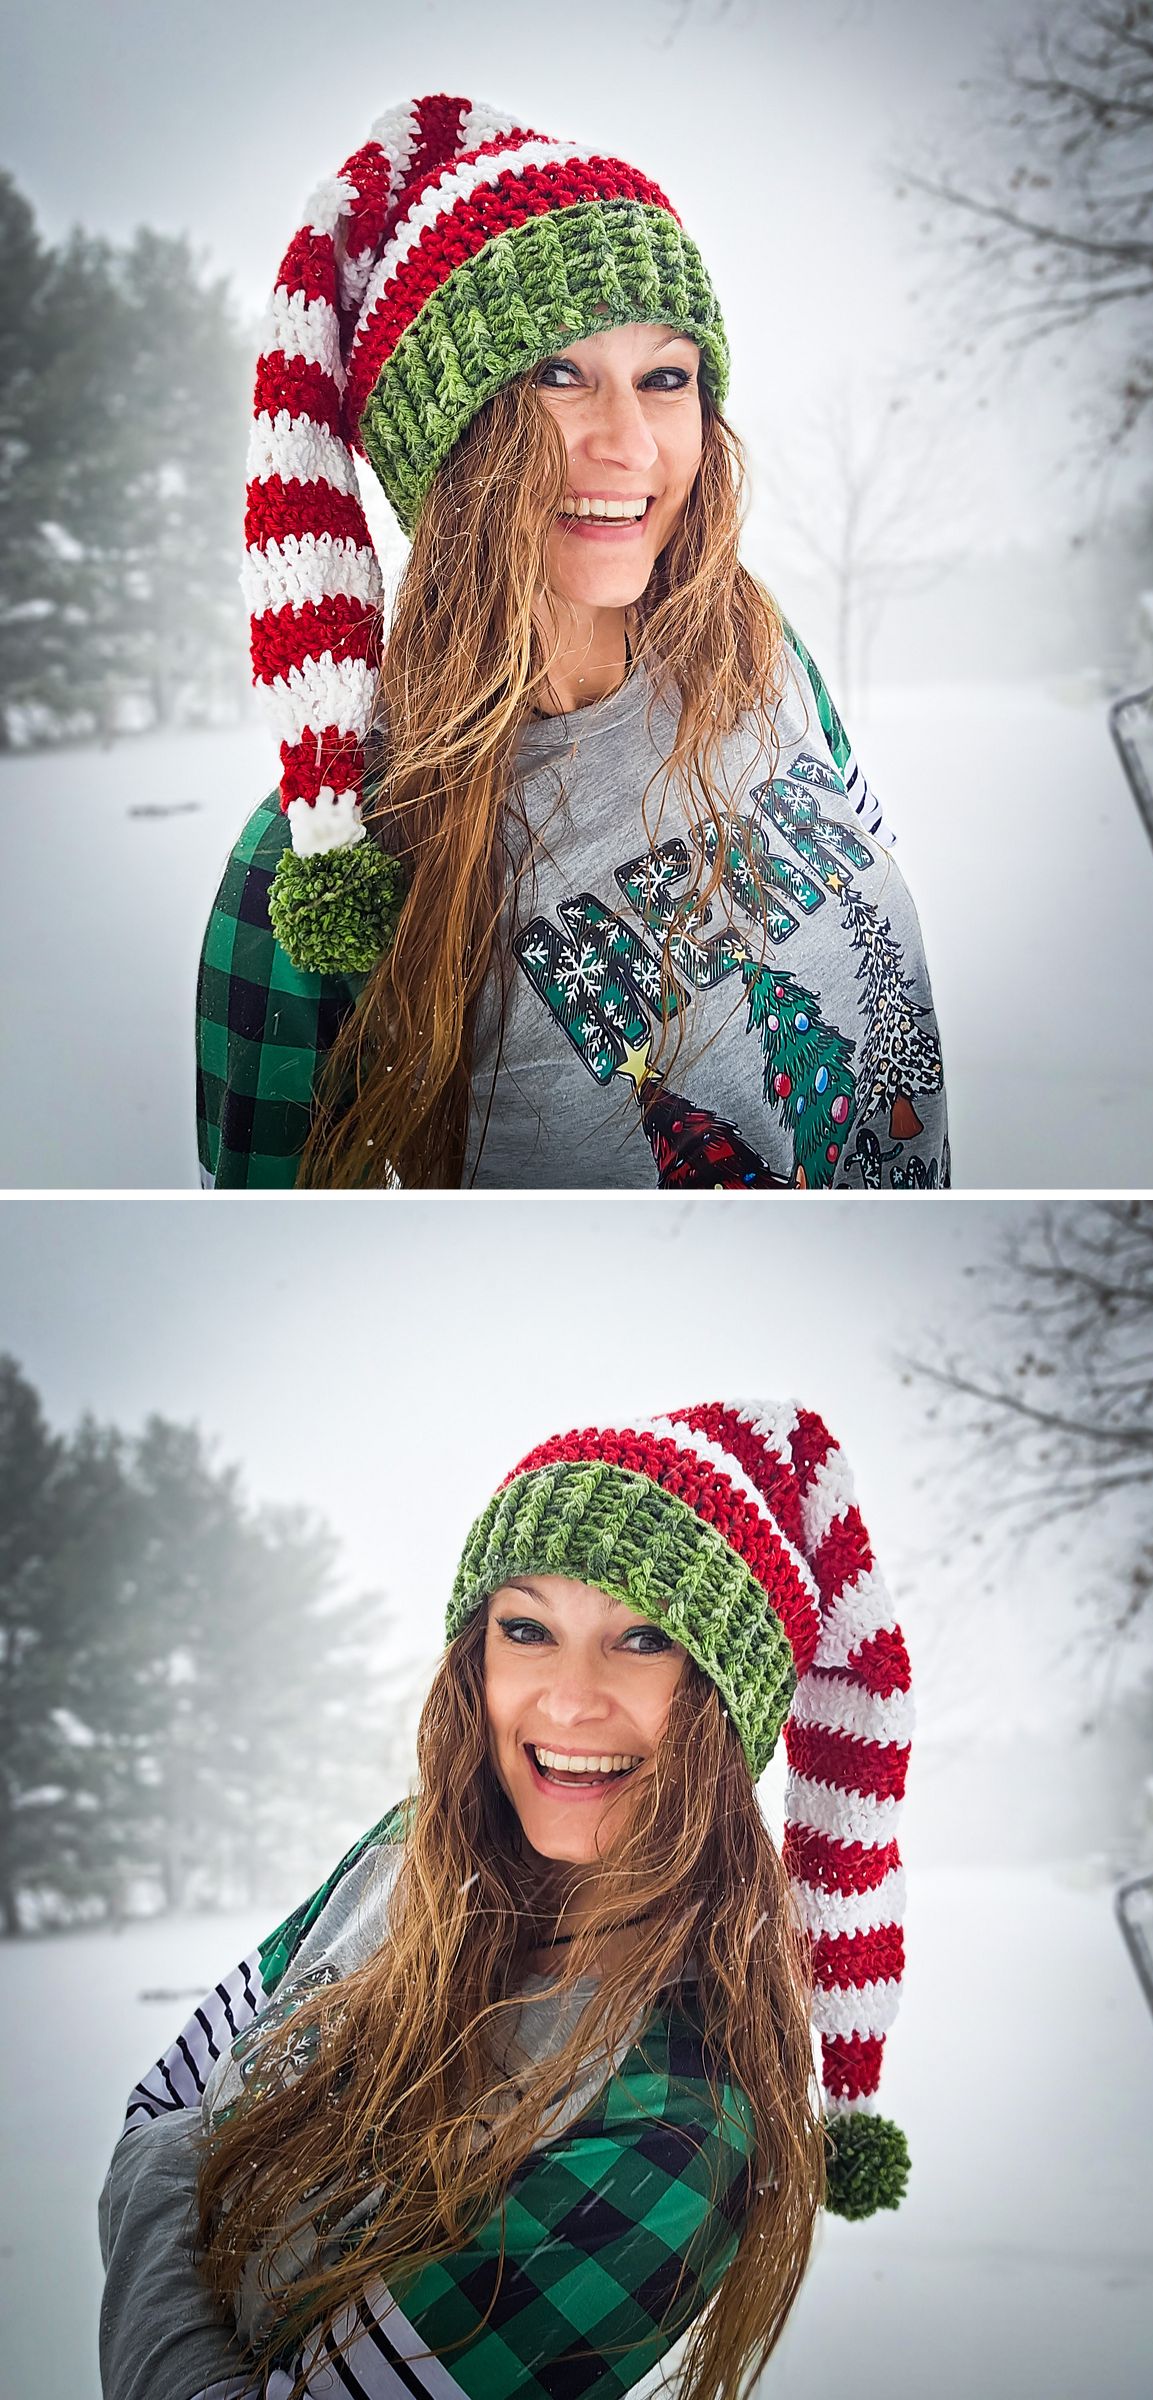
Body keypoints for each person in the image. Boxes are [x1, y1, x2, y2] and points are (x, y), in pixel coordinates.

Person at [196, 94, 949, 1193]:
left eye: (665, 378)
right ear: (445, 443)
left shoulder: (759, 657)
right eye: (558, 375)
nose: (630, 443)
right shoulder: (328, 859)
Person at [98, 1399, 912, 2400]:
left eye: (644, 1639)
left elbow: (156, 2154)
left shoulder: (674, 2127)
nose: (568, 1700)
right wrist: (158, 2164)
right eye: (527, 1629)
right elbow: (160, 2104)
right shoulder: (398, 1857)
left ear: (724, 1702)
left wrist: (158, 2191)